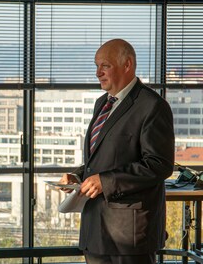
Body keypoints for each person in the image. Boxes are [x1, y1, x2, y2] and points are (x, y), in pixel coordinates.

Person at [59, 39, 174, 264]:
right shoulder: (102, 103)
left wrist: (106, 181)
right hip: (95, 231)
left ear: (127, 64)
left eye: (105, 66)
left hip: (129, 235)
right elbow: (104, 157)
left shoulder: (153, 106)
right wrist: (78, 177)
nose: (97, 73)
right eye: (96, 65)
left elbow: (159, 164)